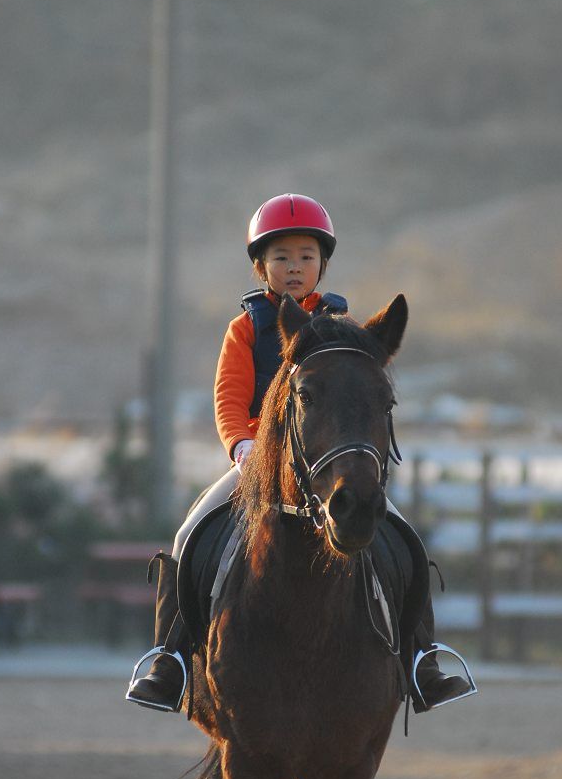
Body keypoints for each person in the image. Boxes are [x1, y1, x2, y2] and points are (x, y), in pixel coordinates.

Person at [126, 193, 474, 713]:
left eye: (306, 257)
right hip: (258, 462)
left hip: (325, 466)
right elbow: (228, 396)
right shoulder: (245, 328)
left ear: (323, 265)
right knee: (188, 534)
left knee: (405, 539)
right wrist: (242, 445)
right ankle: (170, 661)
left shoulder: (342, 328)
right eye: (282, 257)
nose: (294, 268)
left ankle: (423, 658)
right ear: (260, 265)